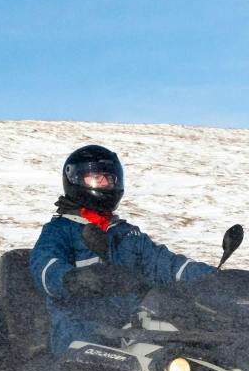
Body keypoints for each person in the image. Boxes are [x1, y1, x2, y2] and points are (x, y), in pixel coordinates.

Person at [31, 144, 213, 354]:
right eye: (96, 178)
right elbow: (44, 266)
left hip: (132, 325)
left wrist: (213, 278)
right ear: (75, 179)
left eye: (110, 179)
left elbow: (167, 264)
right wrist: (73, 278)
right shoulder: (61, 229)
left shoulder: (127, 234)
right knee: (91, 361)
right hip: (80, 325)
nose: (105, 184)